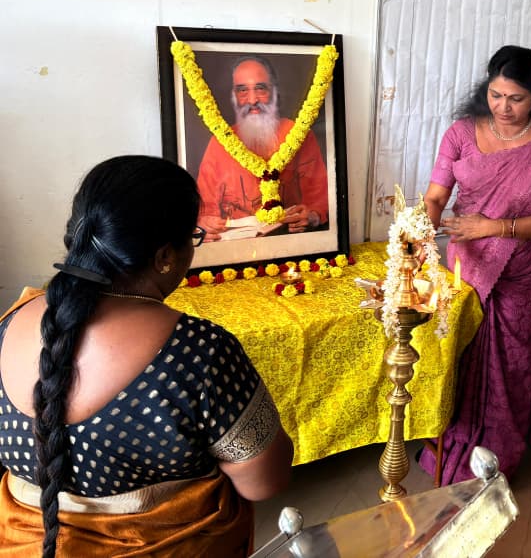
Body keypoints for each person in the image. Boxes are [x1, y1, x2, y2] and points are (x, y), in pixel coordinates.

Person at [0, 156, 294, 556]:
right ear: (165, 257)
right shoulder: (199, 352)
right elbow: (264, 483)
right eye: (192, 237)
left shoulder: (8, 324)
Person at [417, 45, 531, 484]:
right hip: (467, 270)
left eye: (516, 98)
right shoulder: (461, 133)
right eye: (496, 95)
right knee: (458, 361)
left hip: (524, 277)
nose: (504, 107)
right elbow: (436, 197)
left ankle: (499, 457)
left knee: (511, 368)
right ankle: (448, 451)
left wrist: (493, 228)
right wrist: (418, 236)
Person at [196, 55, 329, 239]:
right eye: (243, 90)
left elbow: (320, 202)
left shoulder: (299, 134)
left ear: (275, 93)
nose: (252, 100)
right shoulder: (219, 143)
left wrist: (312, 217)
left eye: (260, 88)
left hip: (290, 244)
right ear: (234, 97)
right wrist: (203, 224)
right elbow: (204, 211)